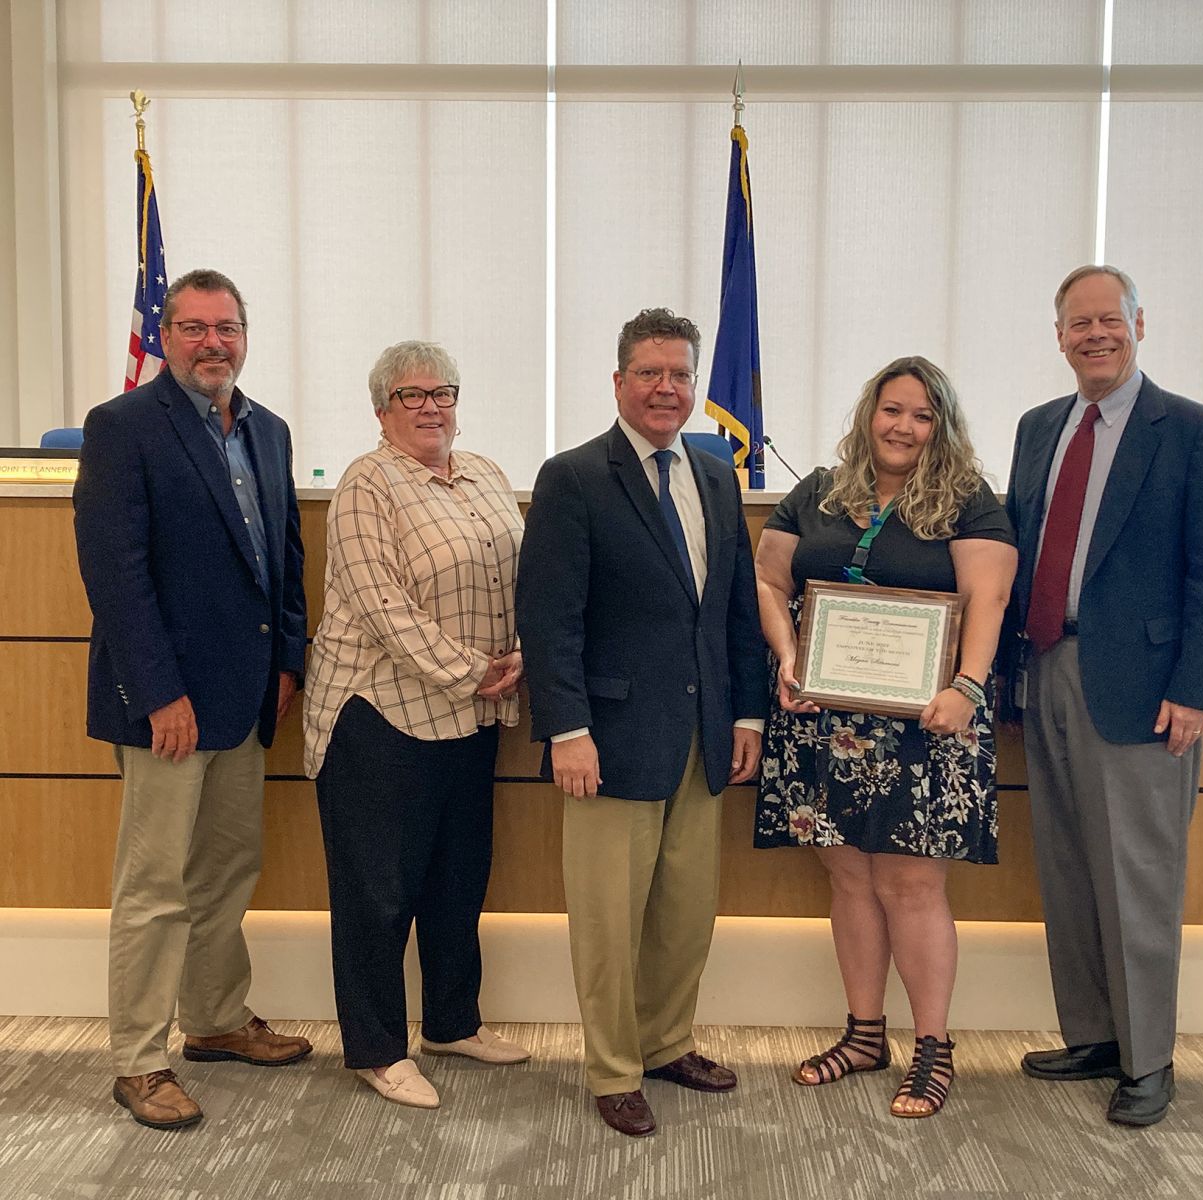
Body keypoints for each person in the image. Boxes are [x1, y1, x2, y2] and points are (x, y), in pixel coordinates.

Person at [516, 308, 767, 1137]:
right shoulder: (574, 477)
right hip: (609, 741)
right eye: (650, 373)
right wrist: (566, 730)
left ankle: (666, 1043)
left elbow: (732, 609)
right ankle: (614, 1068)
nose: (667, 388)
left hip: (702, 738)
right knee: (609, 922)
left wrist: (749, 715)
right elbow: (550, 618)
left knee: (685, 914)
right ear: (618, 381)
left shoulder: (714, 473)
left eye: (680, 375)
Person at [1004, 265, 1203, 1127]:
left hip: (1145, 693)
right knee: (1068, 867)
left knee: (1138, 875)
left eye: (1110, 319)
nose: (1095, 334)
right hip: (1046, 671)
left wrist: (1195, 690)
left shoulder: (1192, 430)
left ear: (1142, 323)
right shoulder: (1038, 430)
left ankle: (1149, 1060)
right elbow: (1019, 553)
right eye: (1078, 323)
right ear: (1058, 336)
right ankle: (1096, 1035)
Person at [72, 268, 310, 1131]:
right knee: (155, 885)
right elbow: (115, 573)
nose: (214, 343)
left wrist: (288, 663)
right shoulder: (124, 427)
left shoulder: (270, 431)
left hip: (247, 700)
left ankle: (213, 1021)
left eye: (228, 328)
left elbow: (284, 560)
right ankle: (139, 1060)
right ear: (164, 336)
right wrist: (158, 691)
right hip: (165, 703)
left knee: (225, 874)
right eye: (194, 327)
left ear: (246, 336)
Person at [754, 356, 1016, 1118]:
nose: (904, 427)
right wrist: (789, 658)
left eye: (923, 416)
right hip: (823, 717)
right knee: (850, 880)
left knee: (911, 884)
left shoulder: (969, 501)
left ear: (944, 427)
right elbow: (772, 580)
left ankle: (933, 1049)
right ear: (870, 413)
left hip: (930, 723)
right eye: (892, 410)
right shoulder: (821, 491)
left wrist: (966, 687)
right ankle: (864, 1034)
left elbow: (988, 597)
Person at [303, 341, 529, 1110]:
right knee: (377, 890)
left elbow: (524, 576)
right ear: (381, 410)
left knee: (458, 880)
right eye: (411, 396)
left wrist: (518, 654)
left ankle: (452, 1022)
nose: (431, 406)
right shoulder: (368, 483)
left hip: (471, 717)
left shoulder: (488, 475)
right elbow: (381, 606)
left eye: (443, 392)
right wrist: (475, 669)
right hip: (379, 715)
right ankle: (374, 1047)